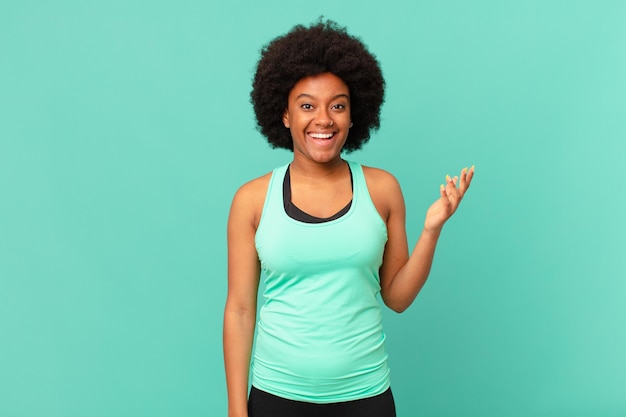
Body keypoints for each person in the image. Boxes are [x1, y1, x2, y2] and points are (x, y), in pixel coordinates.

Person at [223, 20, 474, 417]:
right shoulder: (252, 200)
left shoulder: (382, 189)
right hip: (275, 397)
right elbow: (239, 310)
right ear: (284, 114)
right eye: (307, 105)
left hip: (366, 396)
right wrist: (237, 410)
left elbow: (397, 298)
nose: (323, 119)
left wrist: (431, 230)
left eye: (337, 105)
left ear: (355, 115)